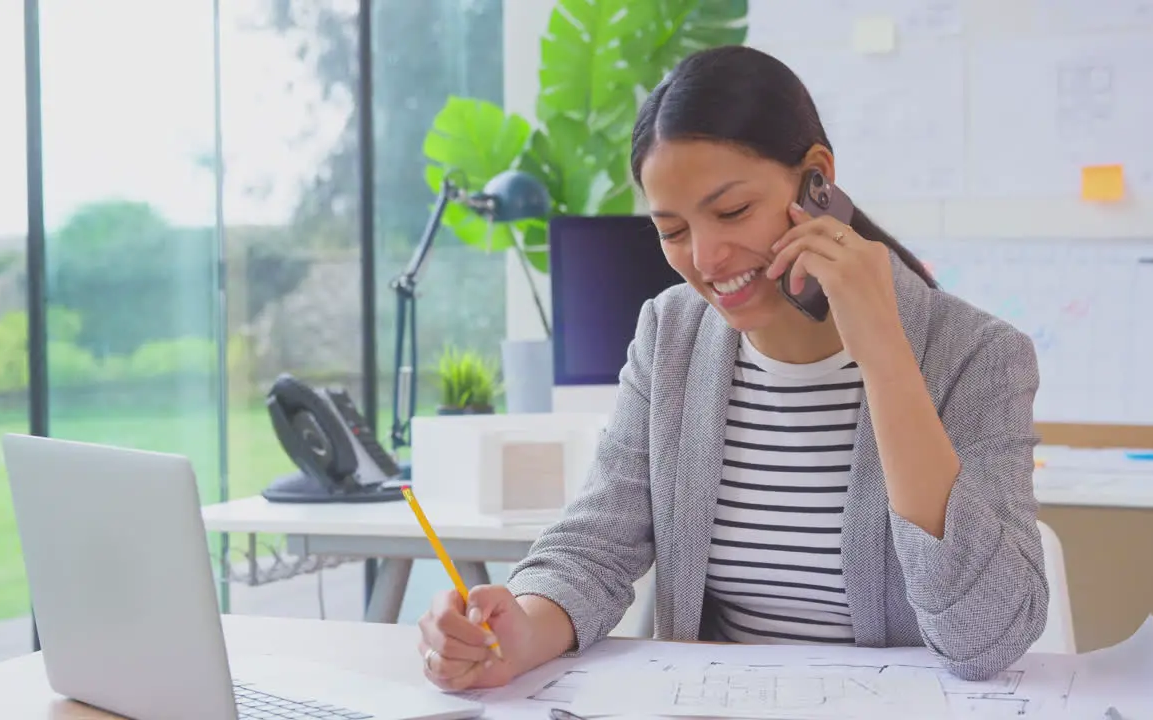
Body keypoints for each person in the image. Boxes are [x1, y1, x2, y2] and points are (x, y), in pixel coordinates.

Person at [416, 44, 1047, 688]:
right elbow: (595, 547)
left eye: (732, 211)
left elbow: (984, 637)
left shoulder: (978, 356)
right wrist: (521, 627)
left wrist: (885, 354)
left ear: (817, 179)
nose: (707, 257)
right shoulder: (671, 336)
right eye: (672, 230)